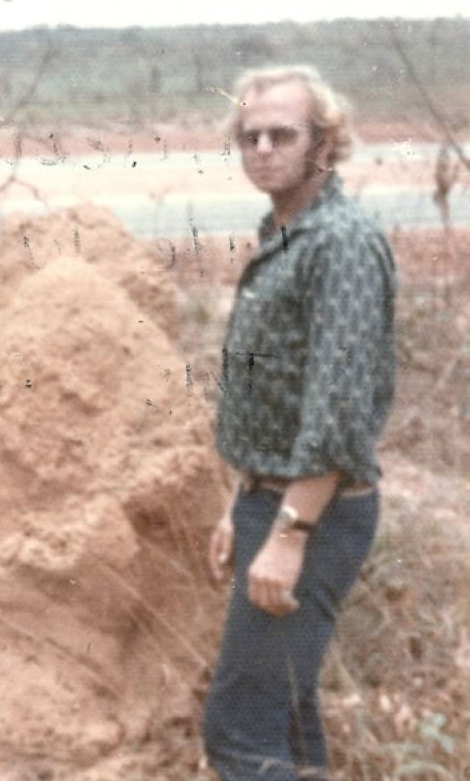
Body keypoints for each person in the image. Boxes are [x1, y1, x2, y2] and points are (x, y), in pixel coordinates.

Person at [203, 66, 396, 780]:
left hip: (313, 514)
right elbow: (275, 394)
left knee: (237, 732)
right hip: (273, 497)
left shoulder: (338, 243)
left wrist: (286, 537)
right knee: (284, 711)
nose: (261, 148)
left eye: (281, 134)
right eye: (249, 135)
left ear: (324, 144)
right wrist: (240, 500)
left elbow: (337, 409)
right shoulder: (285, 232)